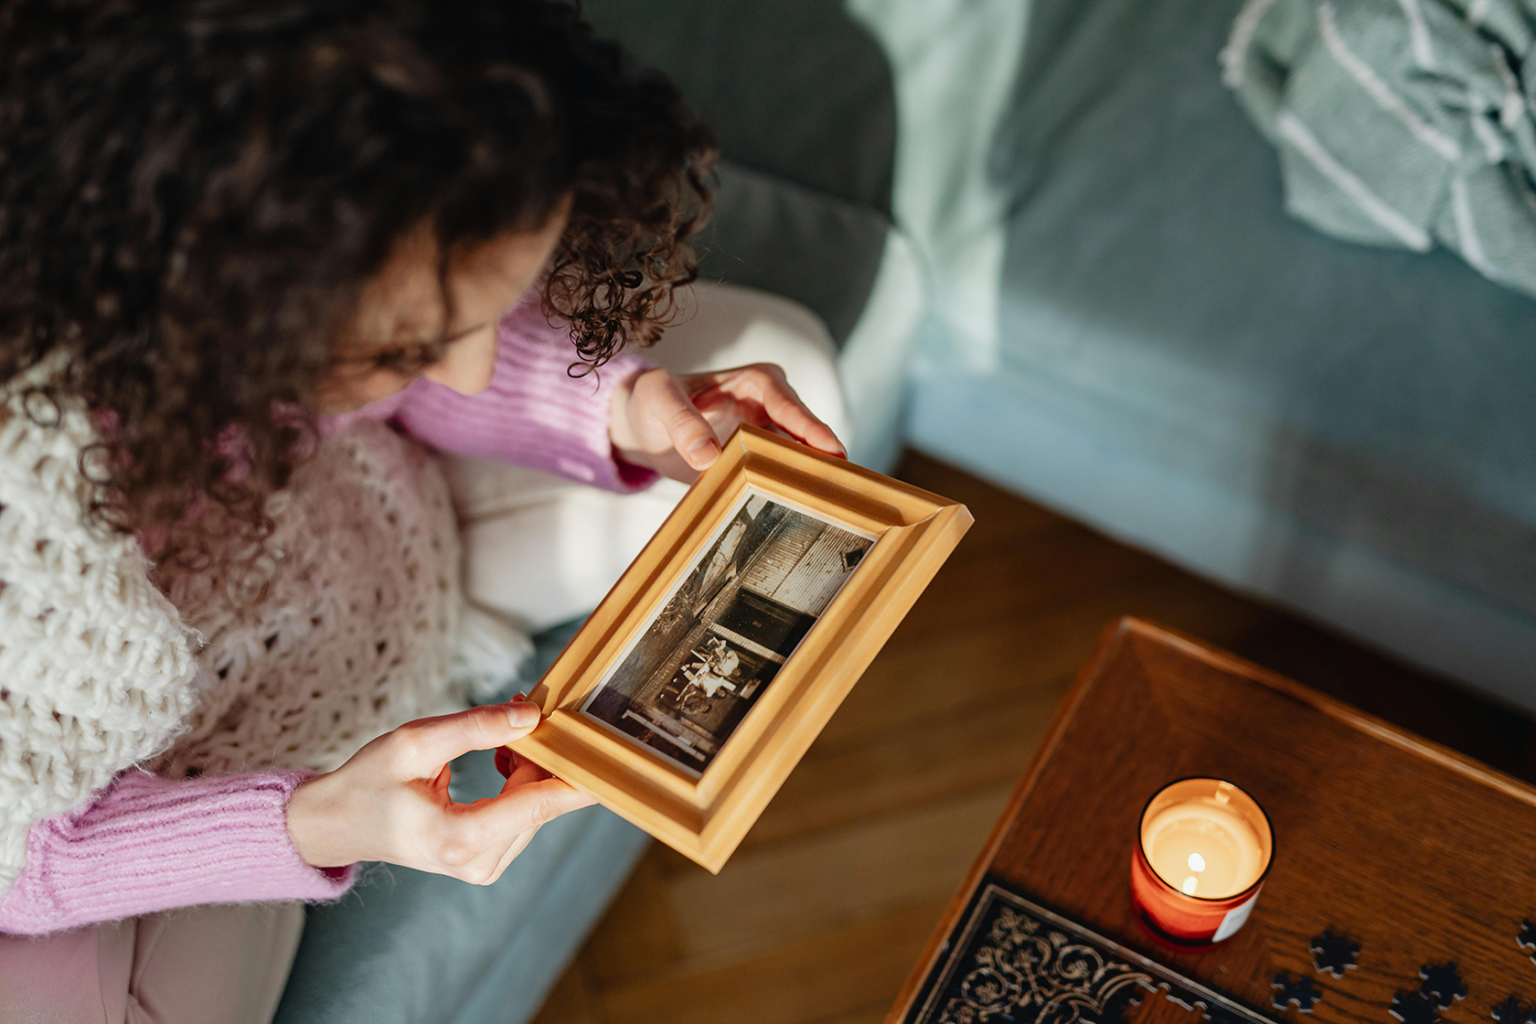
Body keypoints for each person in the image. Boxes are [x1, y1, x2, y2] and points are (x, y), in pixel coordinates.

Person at [0, 0, 844, 1019]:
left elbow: (428, 371)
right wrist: (315, 823)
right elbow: (22, 838)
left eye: (490, 308)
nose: (482, 361)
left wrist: (615, 409)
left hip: (368, 505)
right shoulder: (30, 474)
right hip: (128, 769)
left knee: (779, 403)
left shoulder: (271, 184)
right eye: (409, 342)